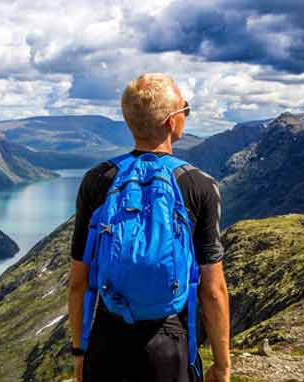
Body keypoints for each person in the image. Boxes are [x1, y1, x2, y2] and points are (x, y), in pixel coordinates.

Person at [67, 73, 231, 382]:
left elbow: (78, 282)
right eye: (185, 109)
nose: (185, 116)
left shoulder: (97, 180)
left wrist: (80, 352)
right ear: (171, 122)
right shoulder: (199, 185)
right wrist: (222, 365)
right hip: (169, 341)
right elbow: (213, 289)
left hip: (107, 336)